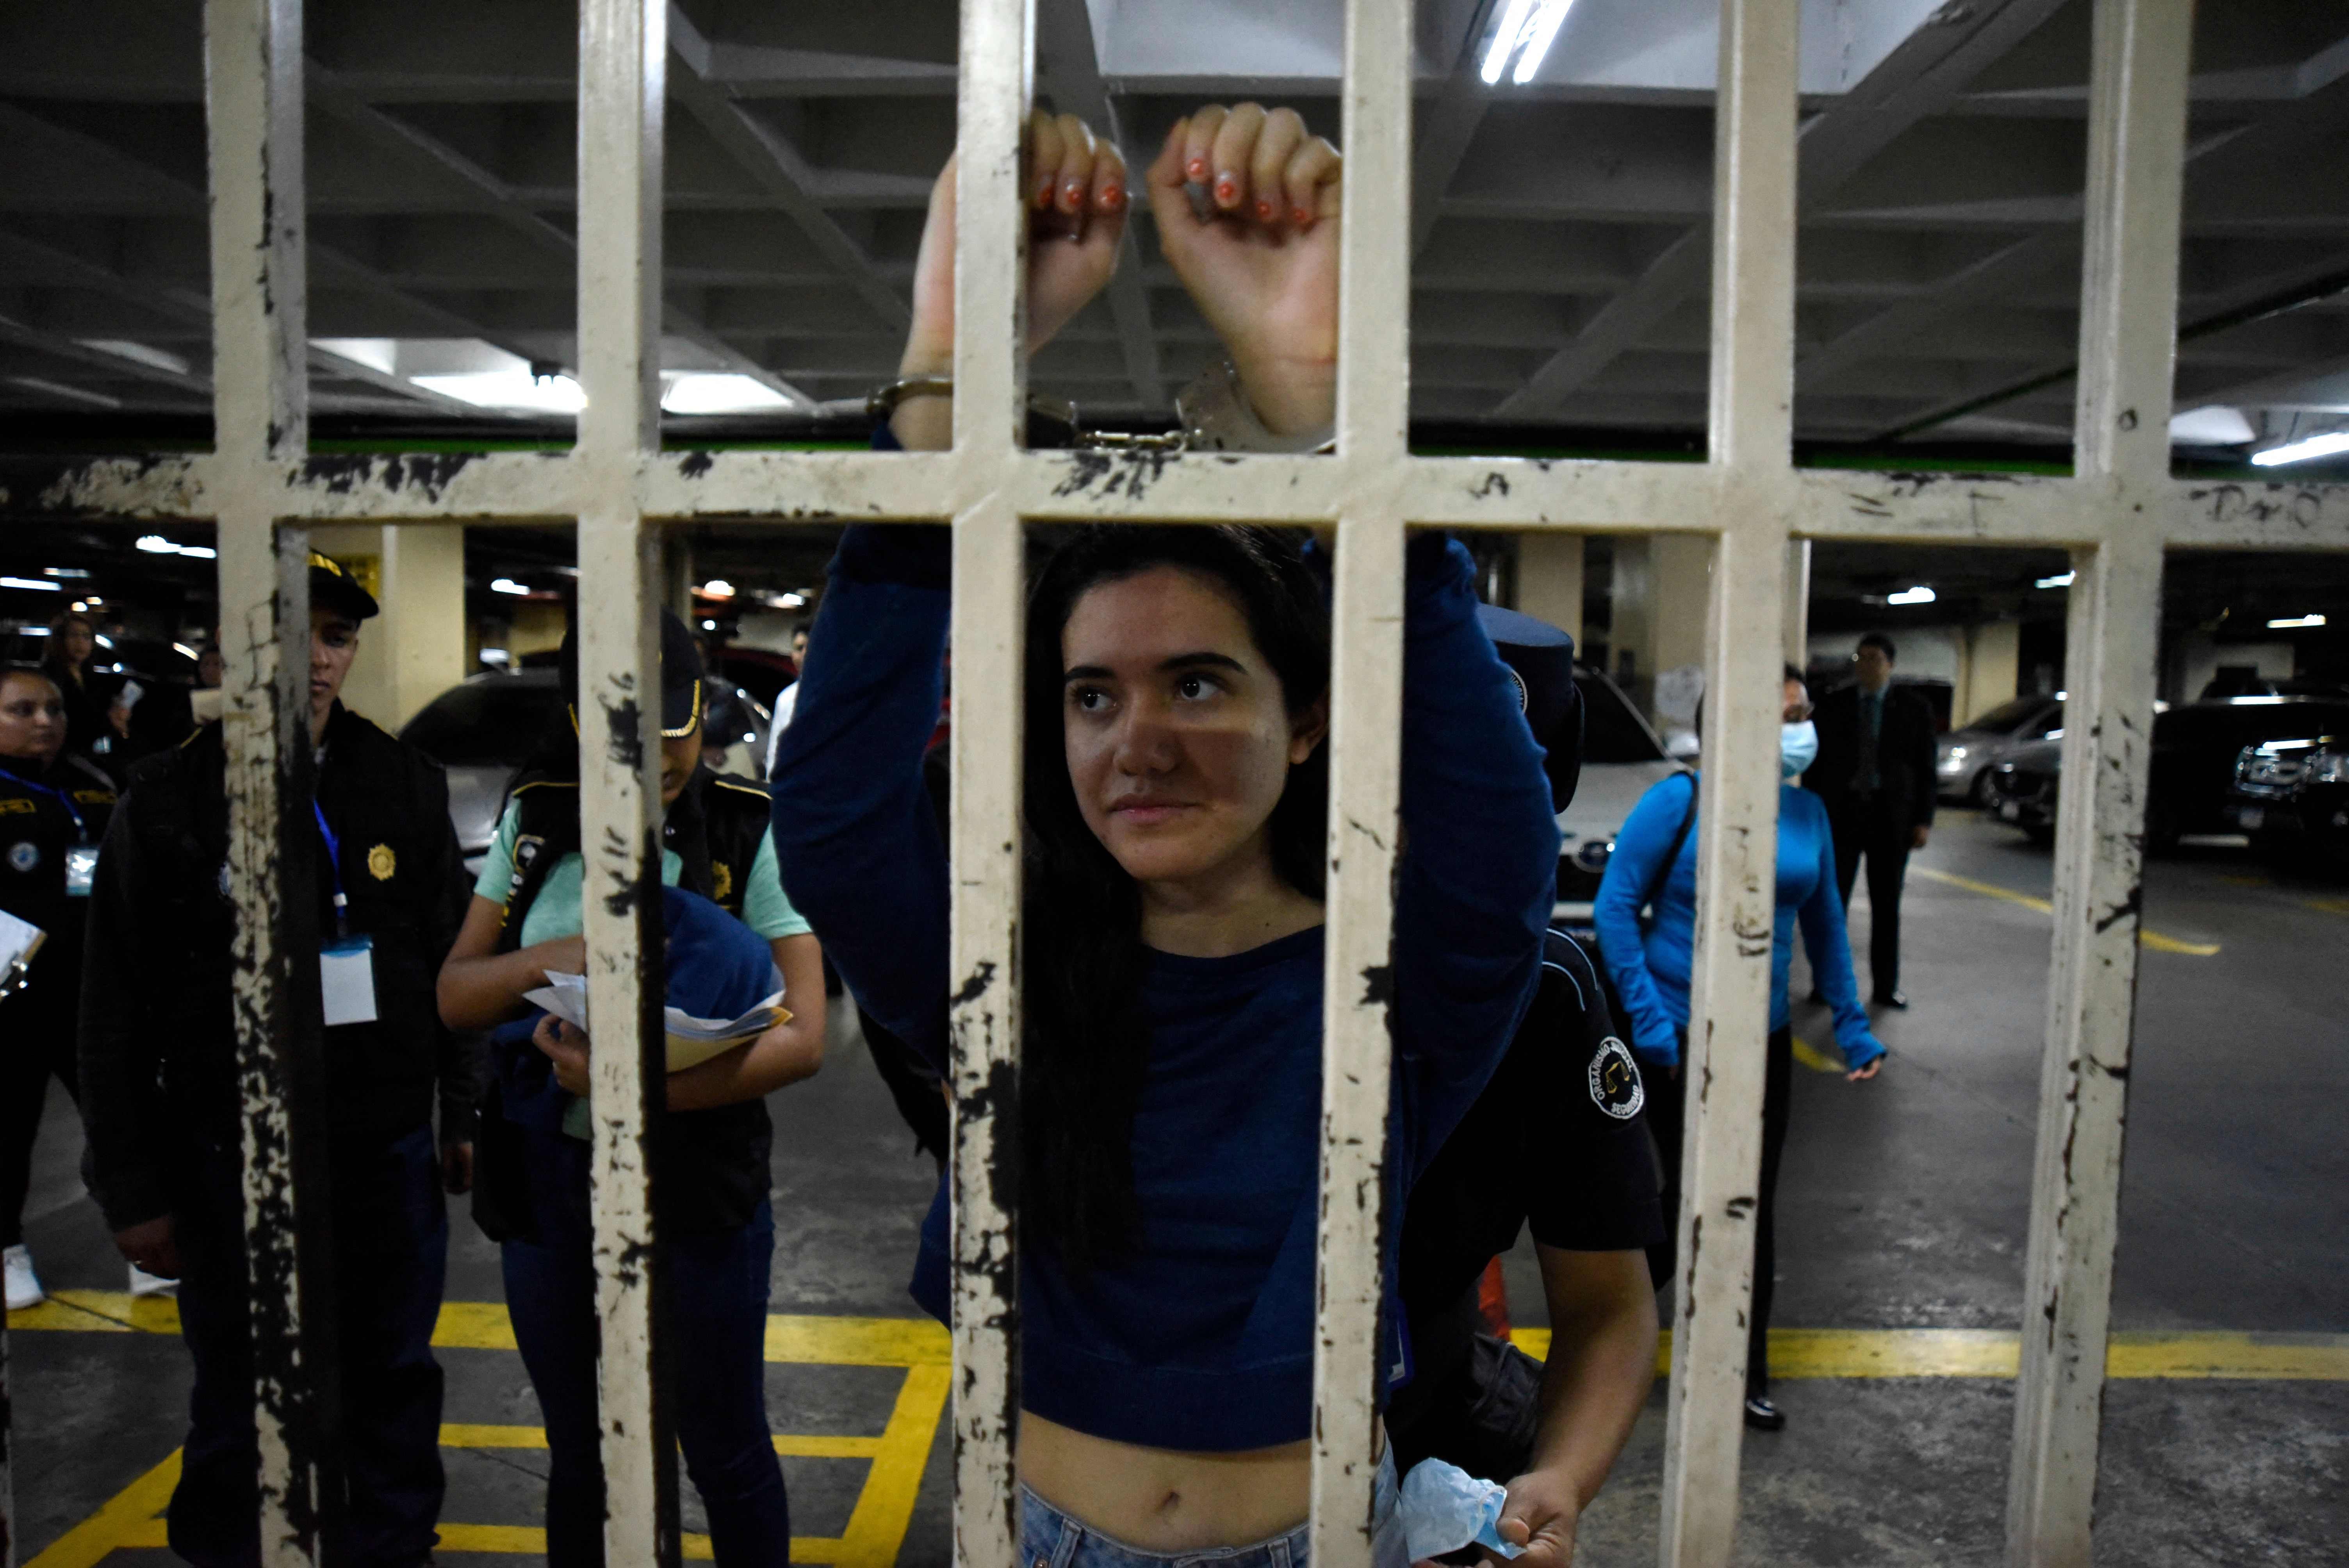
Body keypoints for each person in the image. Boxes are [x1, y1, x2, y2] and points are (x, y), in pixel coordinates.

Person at [770, 104, 1559, 1568]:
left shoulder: (1390, 990)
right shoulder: (1000, 977)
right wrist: (942, 395)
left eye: (1196, 682)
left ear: (1307, 718)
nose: (1134, 739)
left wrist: (1324, 423)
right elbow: (826, 813)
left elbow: (1491, 830)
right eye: (1089, 695)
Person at [78, 551, 479, 1565]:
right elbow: (112, 1010)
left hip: (383, 1150)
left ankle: (391, 1550)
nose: (316, 658)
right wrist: (131, 1185)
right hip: (228, 1156)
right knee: (240, 1394)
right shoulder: (166, 804)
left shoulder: (403, 786)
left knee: (391, 1381)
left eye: (338, 636)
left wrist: (461, 1113)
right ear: (222, 648)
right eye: (292, 629)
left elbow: (448, 967)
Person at [436, 609, 826, 1566]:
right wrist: (569, 955)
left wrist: (637, 1093)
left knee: (724, 1443)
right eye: (626, 742)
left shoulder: (745, 823)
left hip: (701, 1185)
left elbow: (807, 1032)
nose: (657, 763)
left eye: (673, 733)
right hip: (547, 1182)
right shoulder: (536, 820)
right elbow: (454, 993)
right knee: (583, 1452)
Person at [1388, 607, 1663, 1568]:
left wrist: (1560, 1476)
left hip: (1427, 1436)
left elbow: (1608, 1301)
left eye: (1491, 796)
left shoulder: (1546, 997)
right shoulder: (1203, 948)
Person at [1593, 663, 1886, 1432]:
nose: (1800, 726)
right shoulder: (1679, 800)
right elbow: (1616, 906)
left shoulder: (1807, 813)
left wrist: (1851, 1024)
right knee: (1687, 1196)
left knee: (1748, 1204)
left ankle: (1741, 1372)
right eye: (1784, 712)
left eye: (1802, 711)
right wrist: (1648, 1018)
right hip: (1679, 1030)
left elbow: (1824, 924)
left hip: (1764, 1039)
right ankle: (1591, 1331)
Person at [0, 665, 118, 1310]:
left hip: (89, 992)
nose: (43, 721)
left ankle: (145, 1237)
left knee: (120, 1116)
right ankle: (6, 1248)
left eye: (51, 709)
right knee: (10, 1127)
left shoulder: (94, 784)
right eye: (22, 710)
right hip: (10, 997)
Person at [1804, 633, 1937, 1008]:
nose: (1865, 665)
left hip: (1890, 821)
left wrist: (1924, 820)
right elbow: (1817, 768)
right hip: (1842, 817)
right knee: (1833, 905)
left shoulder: (1913, 709)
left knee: (1886, 907)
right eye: (1860, 658)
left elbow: (1926, 769)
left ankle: (1885, 987)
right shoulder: (1834, 706)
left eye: (1874, 658)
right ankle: (1824, 984)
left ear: (1891, 665)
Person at [41, 610, 110, 767]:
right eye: (73, 636)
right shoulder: (49, 678)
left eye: (86, 637)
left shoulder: (91, 677)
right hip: (62, 759)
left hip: (90, 755)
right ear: (60, 640)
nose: (80, 643)